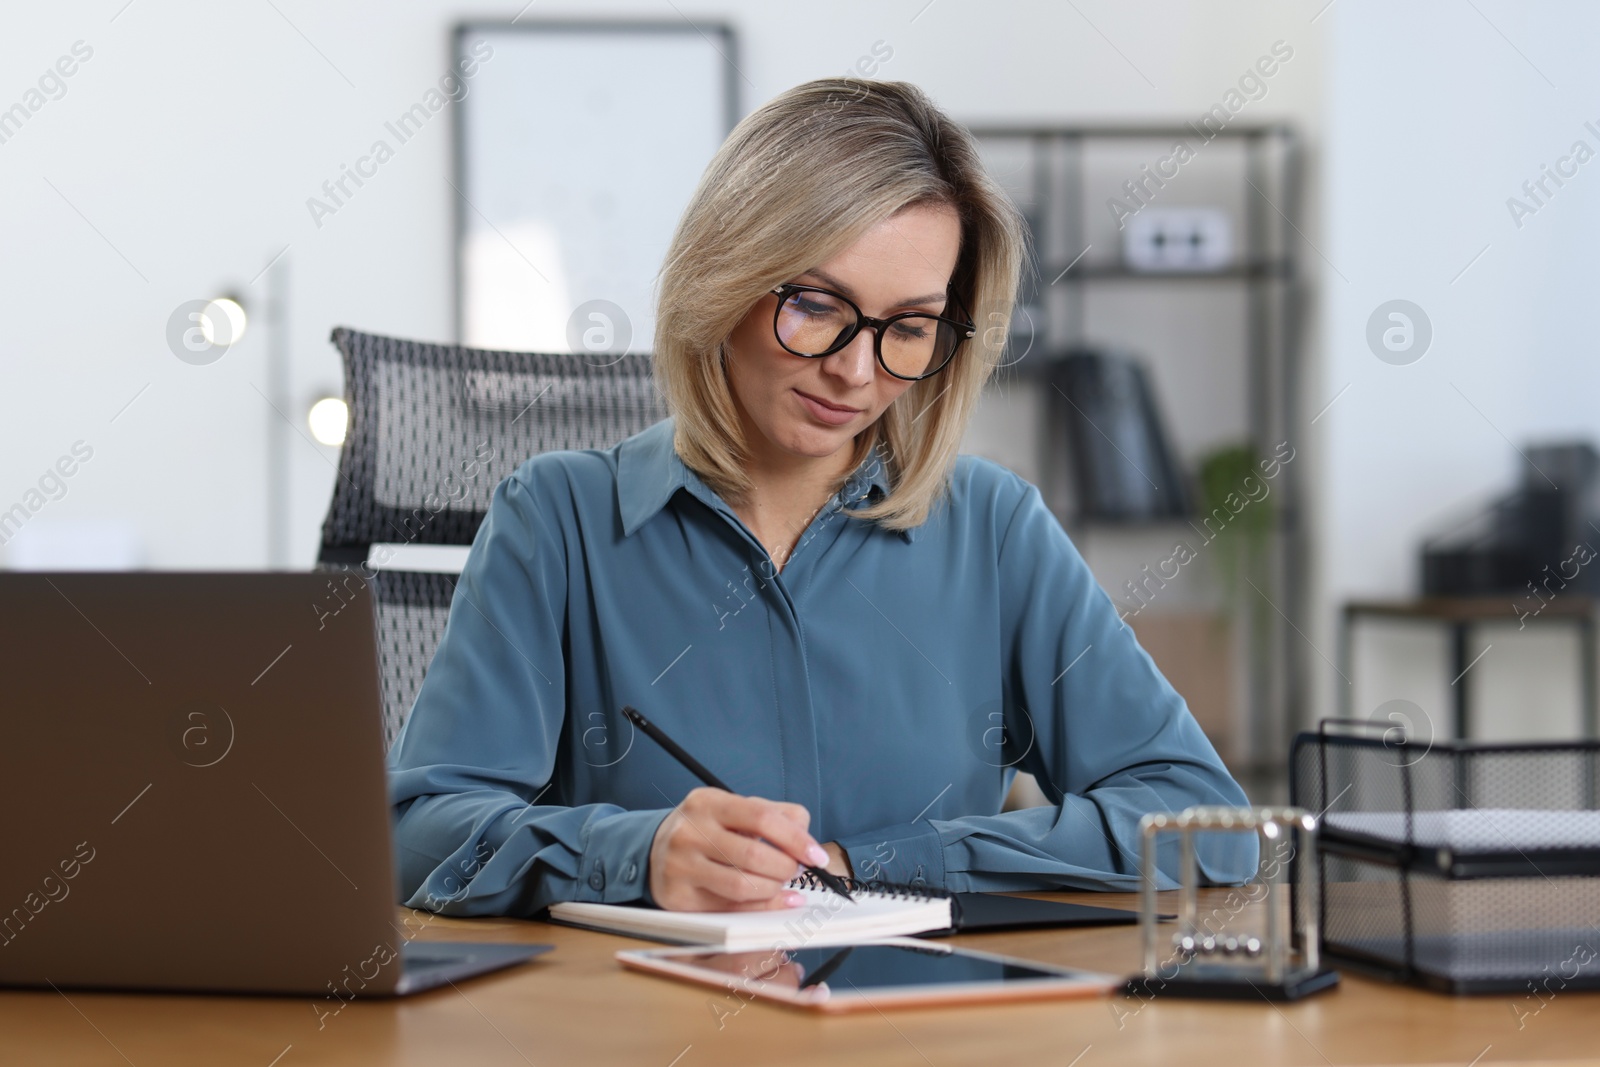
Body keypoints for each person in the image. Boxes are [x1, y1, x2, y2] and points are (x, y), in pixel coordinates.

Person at [388, 77, 1256, 916]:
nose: (854, 368)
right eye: (814, 304)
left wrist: (878, 865)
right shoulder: (558, 519)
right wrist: (639, 854)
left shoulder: (993, 527)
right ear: (722, 279)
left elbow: (1205, 826)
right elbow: (417, 836)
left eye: (908, 328)